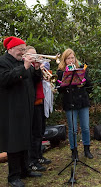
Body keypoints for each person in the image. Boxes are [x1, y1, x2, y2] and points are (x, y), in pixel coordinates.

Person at [0, 36, 42, 187]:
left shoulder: (22, 62)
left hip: (26, 107)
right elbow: (4, 79)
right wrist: (24, 67)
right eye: (20, 50)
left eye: (24, 50)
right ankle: (13, 176)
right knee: (14, 142)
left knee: (26, 138)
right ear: (10, 49)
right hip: (12, 109)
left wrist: (36, 68)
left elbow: (35, 80)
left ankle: (25, 170)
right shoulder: (2, 62)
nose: (23, 53)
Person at [56, 48, 93, 160]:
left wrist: (84, 80)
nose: (71, 60)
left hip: (82, 101)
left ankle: (87, 149)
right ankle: (74, 151)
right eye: (68, 58)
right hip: (70, 102)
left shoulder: (81, 69)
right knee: (73, 129)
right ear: (64, 60)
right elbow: (59, 91)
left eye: (72, 57)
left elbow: (90, 86)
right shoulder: (60, 72)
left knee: (85, 127)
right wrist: (65, 82)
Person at [25, 46, 51, 172]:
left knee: (41, 131)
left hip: (41, 101)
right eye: (32, 55)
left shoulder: (35, 68)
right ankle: (32, 160)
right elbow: (31, 81)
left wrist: (41, 70)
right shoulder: (26, 68)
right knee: (34, 133)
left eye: (36, 55)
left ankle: (39, 156)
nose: (35, 57)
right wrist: (37, 68)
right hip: (33, 103)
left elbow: (41, 80)